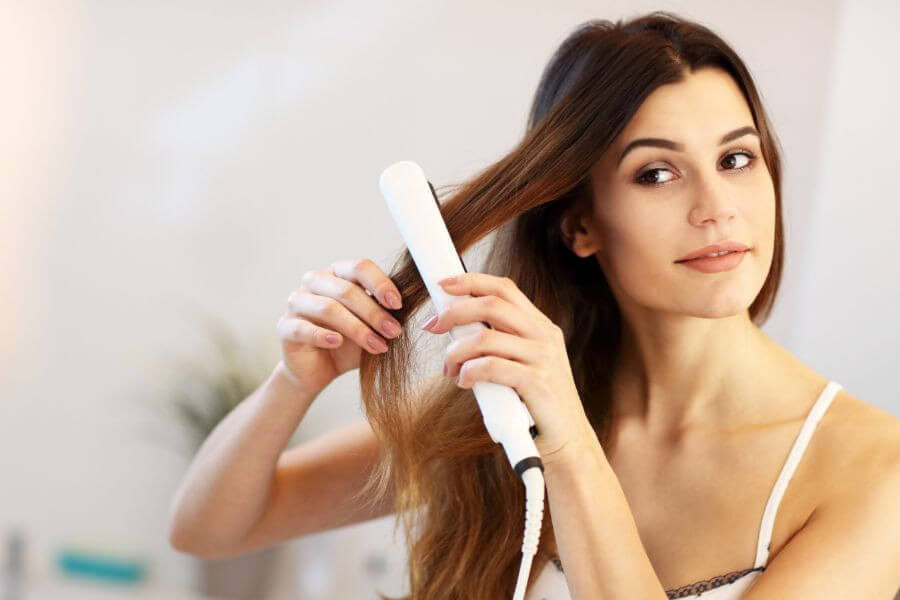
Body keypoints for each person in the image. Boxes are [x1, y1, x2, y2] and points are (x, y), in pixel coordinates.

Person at [167, 11, 900, 600]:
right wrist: (292, 383)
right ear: (579, 224)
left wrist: (574, 449)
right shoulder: (503, 415)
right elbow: (209, 529)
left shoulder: (873, 469)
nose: (717, 208)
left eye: (736, 159)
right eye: (656, 173)